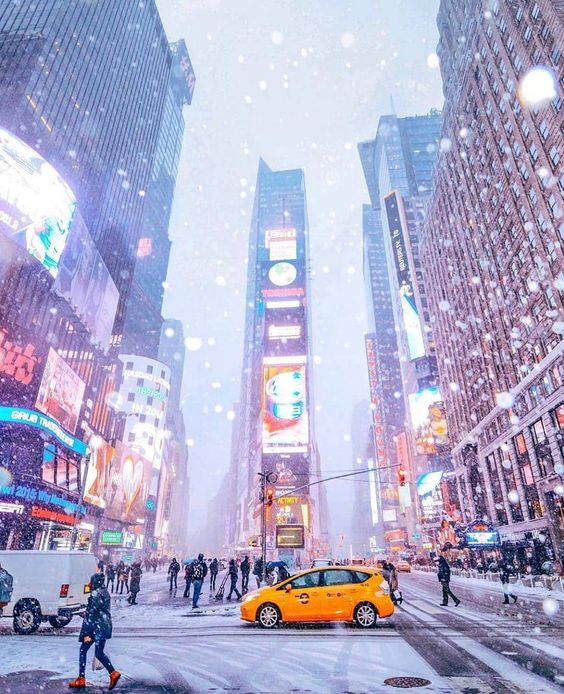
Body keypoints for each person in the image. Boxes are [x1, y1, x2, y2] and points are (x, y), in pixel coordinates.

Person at [68, 573, 120, 690]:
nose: (90, 584)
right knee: (99, 653)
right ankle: (113, 673)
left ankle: (82, 678)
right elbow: (99, 611)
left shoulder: (95, 594)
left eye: (91, 581)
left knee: (83, 650)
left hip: (95, 628)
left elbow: (92, 615)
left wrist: (86, 633)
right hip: (104, 626)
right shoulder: (104, 592)